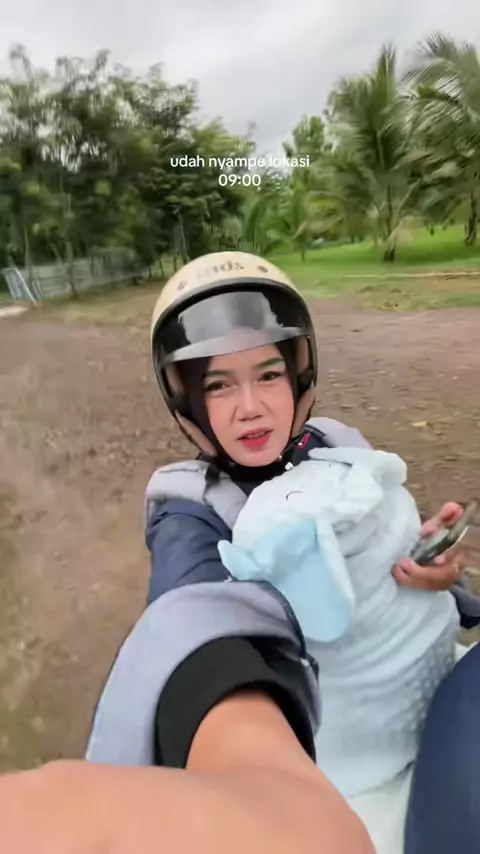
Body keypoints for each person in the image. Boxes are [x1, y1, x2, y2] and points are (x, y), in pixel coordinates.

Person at [0, 251, 478, 852]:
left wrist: (426, 562)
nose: (249, 406)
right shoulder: (190, 511)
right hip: (343, 751)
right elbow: (195, 630)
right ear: (189, 404)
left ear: (299, 375)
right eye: (219, 385)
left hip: (433, 676)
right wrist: (250, 764)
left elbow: (375, 553)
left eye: (268, 374)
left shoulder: (336, 444)